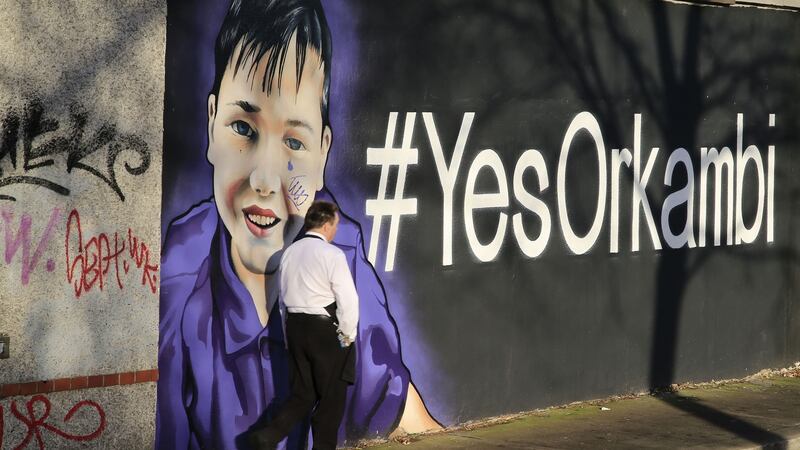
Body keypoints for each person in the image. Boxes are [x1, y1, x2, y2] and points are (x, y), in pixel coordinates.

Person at [156, 0, 440, 448]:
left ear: (323, 153)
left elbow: (401, 409)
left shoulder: (346, 253)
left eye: (294, 141)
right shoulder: (179, 286)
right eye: (243, 128)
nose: (265, 180)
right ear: (211, 124)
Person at [246, 201, 357, 449]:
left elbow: (282, 301)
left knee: (302, 394)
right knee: (331, 400)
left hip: (295, 327)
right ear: (326, 225)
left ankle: (269, 435)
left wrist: (289, 339)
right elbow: (349, 300)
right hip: (325, 331)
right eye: (335, 225)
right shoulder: (332, 254)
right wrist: (346, 337)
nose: (336, 230)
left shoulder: (289, 253)